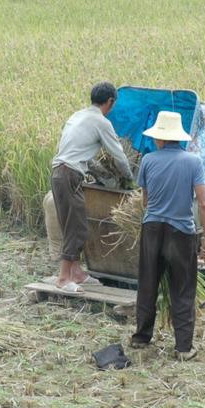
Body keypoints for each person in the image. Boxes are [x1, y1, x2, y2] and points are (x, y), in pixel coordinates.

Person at [129, 111, 205, 361]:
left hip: (152, 229)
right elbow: (204, 204)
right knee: (183, 289)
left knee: (147, 284)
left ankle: (141, 338)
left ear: (161, 139)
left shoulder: (148, 161)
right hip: (181, 233)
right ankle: (184, 348)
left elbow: (145, 200)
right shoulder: (194, 162)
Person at [51, 82, 133, 292]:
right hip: (70, 174)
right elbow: (120, 157)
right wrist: (130, 179)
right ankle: (62, 279)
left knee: (71, 223)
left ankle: (76, 273)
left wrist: (99, 172)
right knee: (76, 227)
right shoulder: (101, 122)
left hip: (59, 172)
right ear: (110, 102)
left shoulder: (77, 116)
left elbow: (76, 151)